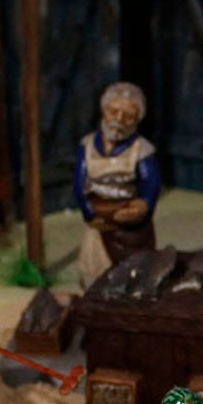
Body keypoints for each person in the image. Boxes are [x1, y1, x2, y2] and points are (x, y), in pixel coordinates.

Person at [74, 80, 162, 288]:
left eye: (128, 116)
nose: (119, 120)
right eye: (113, 112)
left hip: (129, 224)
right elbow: (80, 182)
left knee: (133, 271)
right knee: (93, 267)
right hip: (99, 218)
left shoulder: (142, 150)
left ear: (137, 120)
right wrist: (89, 212)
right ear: (104, 111)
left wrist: (143, 206)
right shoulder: (88, 145)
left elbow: (151, 184)